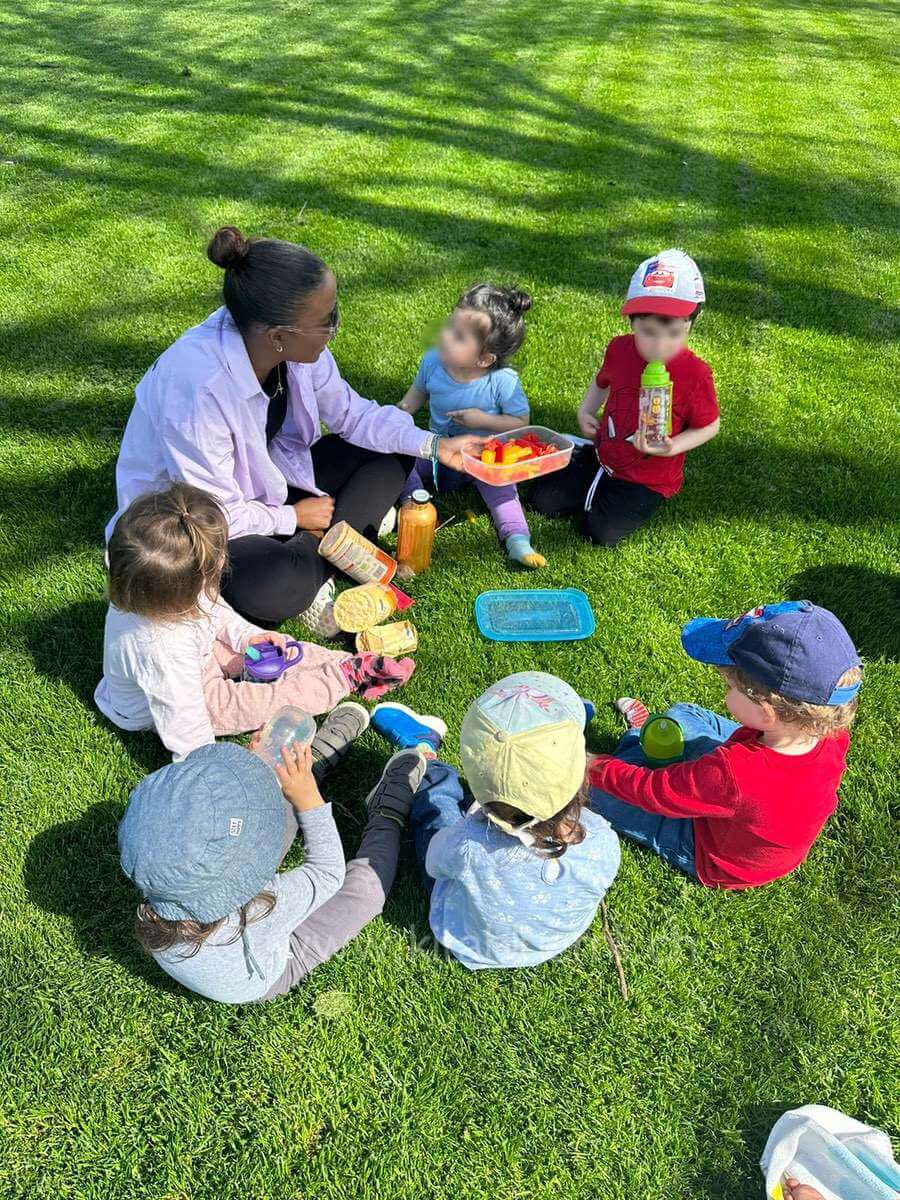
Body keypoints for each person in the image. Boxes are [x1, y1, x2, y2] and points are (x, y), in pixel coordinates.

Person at [107, 226, 484, 631]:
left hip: (273, 481)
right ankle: (334, 551)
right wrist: (293, 517)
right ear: (279, 336)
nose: (335, 328)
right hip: (197, 519)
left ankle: (324, 552)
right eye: (326, 321)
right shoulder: (197, 389)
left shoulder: (289, 345)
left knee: (395, 447)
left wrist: (436, 445)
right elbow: (212, 513)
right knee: (273, 586)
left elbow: (353, 415)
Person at [95, 483, 414, 760]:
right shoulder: (161, 650)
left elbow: (215, 612)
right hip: (169, 701)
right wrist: (214, 773)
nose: (224, 561)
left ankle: (352, 664)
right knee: (252, 702)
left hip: (198, 655)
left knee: (277, 650)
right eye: (217, 562)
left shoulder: (157, 588)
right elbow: (187, 730)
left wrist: (248, 636)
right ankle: (337, 680)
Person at [117, 719, 428, 1003]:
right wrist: (309, 800)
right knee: (366, 891)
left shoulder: (159, 870)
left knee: (267, 809)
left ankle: (302, 766)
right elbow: (327, 873)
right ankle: (387, 806)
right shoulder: (260, 912)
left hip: (223, 923)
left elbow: (212, 819)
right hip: (277, 964)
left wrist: (258, 770)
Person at [588, 601, 862, 889]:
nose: (725, 691)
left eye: (730, 687)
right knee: (685, 713)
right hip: (751, 811)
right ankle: (644, 746)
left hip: (714, 853)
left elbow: (653, 791)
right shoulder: (830, 731)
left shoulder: (735, 772)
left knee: (598, 790)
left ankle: (635, 739)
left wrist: (592, 766)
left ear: (766, 712)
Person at [407, 672, 620, 969]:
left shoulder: (467, 845)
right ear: (580, 776)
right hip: (551, 943)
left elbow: (435, 864)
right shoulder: (602, 838)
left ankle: (427, 759)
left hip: (471, 943)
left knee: (438, 803)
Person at [530, 249, 719, 547]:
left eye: (674, 333)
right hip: (603, 454)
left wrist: (672, 448)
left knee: (599, 533)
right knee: (542, 502)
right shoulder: (620, 350)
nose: (660, 344)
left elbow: (710, 426)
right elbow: (601, 381)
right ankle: (584, 464)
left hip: (647, 476)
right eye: (649, 332)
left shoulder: (695, 374)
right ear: (631, 322)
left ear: (692, 323)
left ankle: (607, 498)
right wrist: (586, 410)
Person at [397, 283, 545, 568]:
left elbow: (521, 423)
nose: (444, 335)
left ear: (484, 359)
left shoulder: (503, 381)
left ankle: (517, 540)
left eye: (459, 336)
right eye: (450, 324)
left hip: (483, 456)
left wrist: (482, 420)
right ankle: (413, 505)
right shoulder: (432, 362)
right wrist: (400, 413)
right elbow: (418, 393)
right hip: (440, 449)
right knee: (401, 459)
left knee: (503, 491)